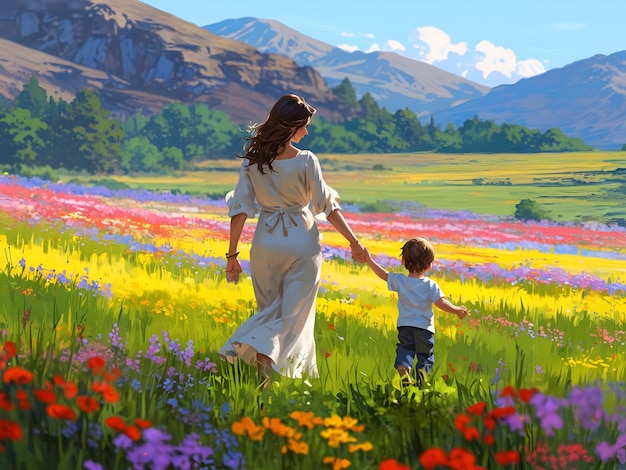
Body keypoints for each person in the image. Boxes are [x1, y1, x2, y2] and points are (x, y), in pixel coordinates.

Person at [219, 93, 366, 380]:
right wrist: (353, 241)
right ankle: (265, 358)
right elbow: (327, 206)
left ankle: (265, 368)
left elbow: (240, 209)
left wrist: (232, 255)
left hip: (264, 244)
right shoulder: (306, 160)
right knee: (292, 316)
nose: (307, 132)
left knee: (270, 311)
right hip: (301, 242)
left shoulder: (251, 163)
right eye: (304, 126)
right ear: (291, 127)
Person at [363, 237, 468, 386]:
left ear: (403, 261)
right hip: (424, 329)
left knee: (405, 349)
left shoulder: (400, 281)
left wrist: (369, 260)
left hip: (405, 327)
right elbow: (441, 303)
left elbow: (383, 274)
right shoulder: (430, 285)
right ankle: (421, 385)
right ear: (428, 265)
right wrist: (457, 310)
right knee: (425, 357)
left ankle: (403, 367)